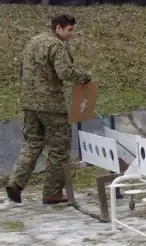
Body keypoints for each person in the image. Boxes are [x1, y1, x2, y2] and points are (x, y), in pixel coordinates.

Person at [5, 13, 92, 205]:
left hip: (29, 103)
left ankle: (16, 183)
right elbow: (65, 72)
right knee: (59, 148)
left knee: (32, 144)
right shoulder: (57, 46)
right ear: (58, 29)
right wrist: (85, 77)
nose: (72, 34)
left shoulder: (33, 42)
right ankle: (52, 192)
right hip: (51, 105)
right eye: (69, 30)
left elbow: (22, 70)